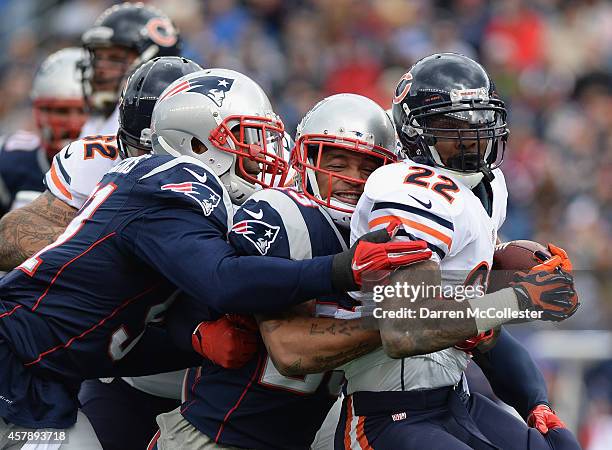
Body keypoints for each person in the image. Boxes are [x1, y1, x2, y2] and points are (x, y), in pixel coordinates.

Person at [0, 68, 425, 448]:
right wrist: (341, 270)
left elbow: (134, 321)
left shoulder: (180, 196)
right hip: (14, 363)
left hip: (38, 375)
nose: (263, 153)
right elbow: (223, 279)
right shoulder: (175, 181)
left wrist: (194, 334)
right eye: (247, 136)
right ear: (198, 143)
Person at [334, 53, 581, 449]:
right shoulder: (409, 191)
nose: (472, 137)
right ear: (413, 132)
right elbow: (404, 329)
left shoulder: (487, 187)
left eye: (479, 121)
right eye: (452, 125)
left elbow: (480, 328)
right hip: (389, 412)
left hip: (455, 397)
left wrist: (537, 403)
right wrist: (517, 300)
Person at [0, 47, 87, 216]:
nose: (75, 123)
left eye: (85, 111)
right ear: (38, 112)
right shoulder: (10, 161)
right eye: (61, 111)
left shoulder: (118, 169)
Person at [79, 2, 181, 136]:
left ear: (152, 63)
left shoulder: (163, 127)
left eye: (115, 59)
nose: (100, 69)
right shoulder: (94, 123)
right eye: (97, 58)